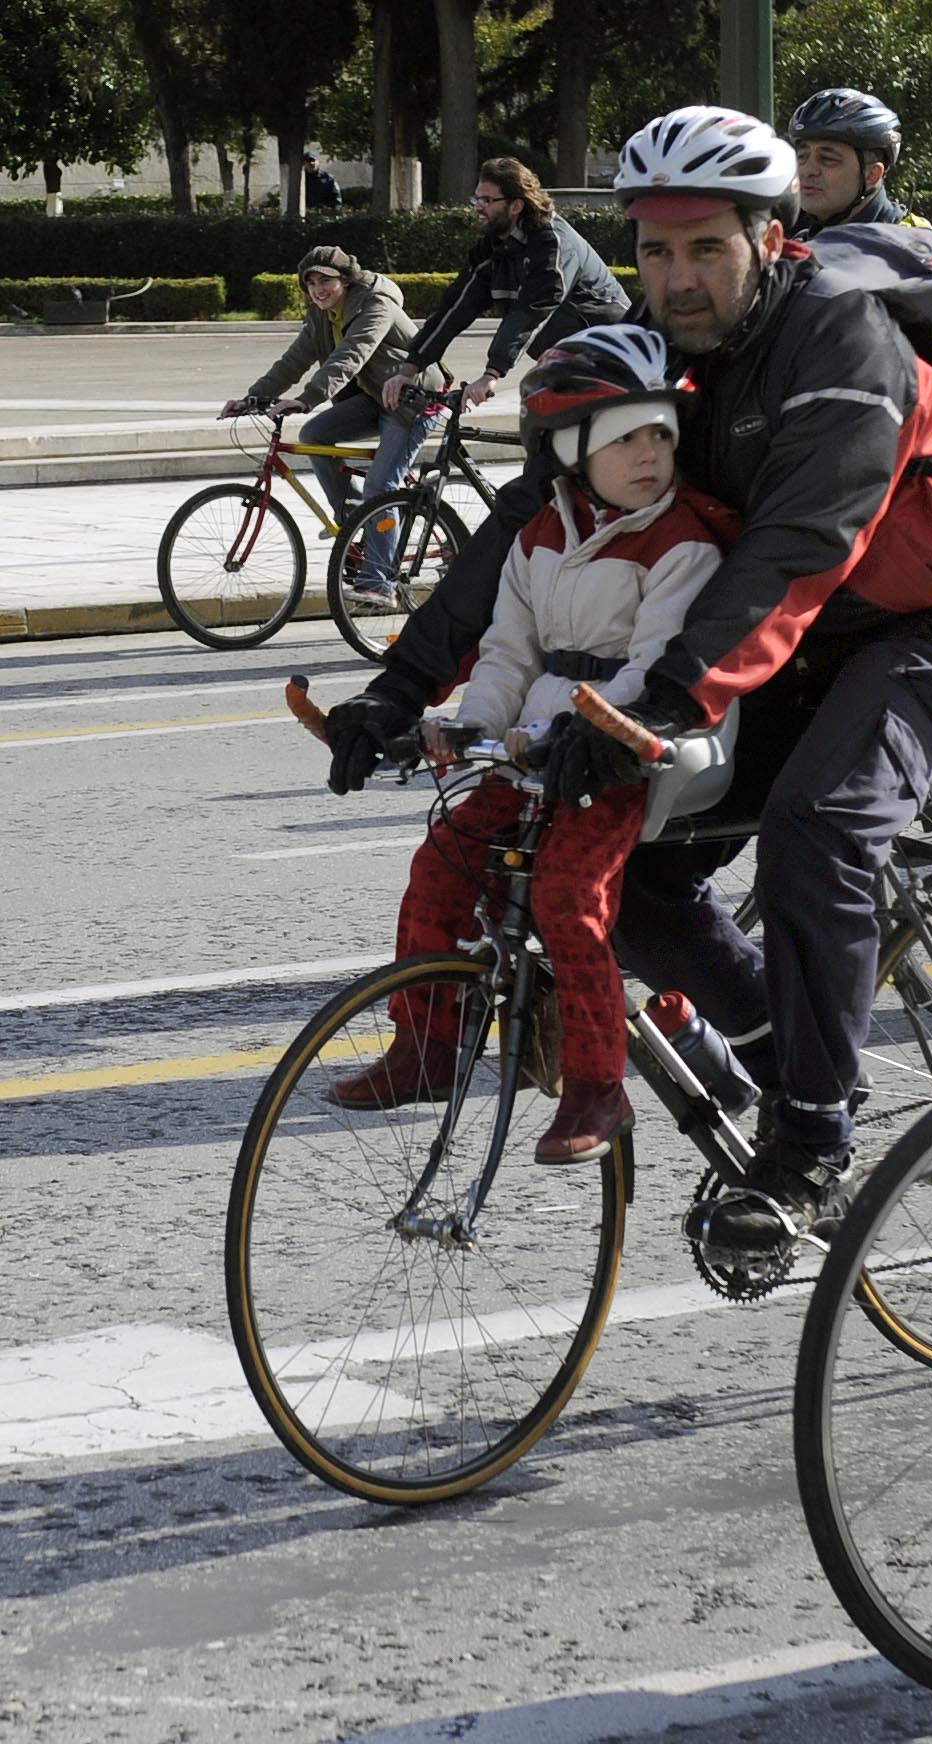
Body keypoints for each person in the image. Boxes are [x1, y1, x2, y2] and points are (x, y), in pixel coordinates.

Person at [321, 106, 932, 1254]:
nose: (677, 276)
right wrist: (401, 685)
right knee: (630, 872)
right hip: (777, 641)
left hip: (931, 621)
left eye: (707, 247)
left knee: (819, 827)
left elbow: (799, 541)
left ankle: (810, 1136)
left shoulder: (842, 340)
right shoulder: (660, 351)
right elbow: (533, 518)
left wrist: (659, 705)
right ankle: (780, 1051)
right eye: (655, 249)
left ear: (772, 235)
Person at [329, 326, 730, 1161]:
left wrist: (567, 730)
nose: (651, 453)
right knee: (444, 856)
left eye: (662, 432)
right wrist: (468, 722)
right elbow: (509, 649)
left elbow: (656, 671)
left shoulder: (682, 538)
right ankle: (429, 1048)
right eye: (627, 438)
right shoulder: (539, 533)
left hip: (622, 757)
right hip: (536, 748)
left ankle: (595, 1082)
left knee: (565, 891)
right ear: (572, 452)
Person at [222, 245, 447, 594]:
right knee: (314, 435)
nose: (317, 289)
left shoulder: (375, 304)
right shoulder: (321, 315)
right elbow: (294, 360)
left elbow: (351, 355)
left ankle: (378, 583)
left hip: (412, 401)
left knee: (380, 487)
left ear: (346, 280)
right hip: (374, 396)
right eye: (310, 282)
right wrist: (252, 398)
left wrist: (306, 398)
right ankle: (357, 520)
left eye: (325, 280)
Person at [386, 158, 630, 413]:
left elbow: (533, 306)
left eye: (487, 201)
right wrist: (409, 369)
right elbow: (455, 308)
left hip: (611, 356)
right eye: (476, 199)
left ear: (516, 205)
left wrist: (492, 372)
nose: (478, 208)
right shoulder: (493, 247)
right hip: (568, 360)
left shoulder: (553, 244)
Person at [788, 88, 930, 233]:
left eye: (827, 159)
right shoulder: (801, 244)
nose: (807, 170)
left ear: (872, 174)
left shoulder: (917, 247)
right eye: (802, 157)